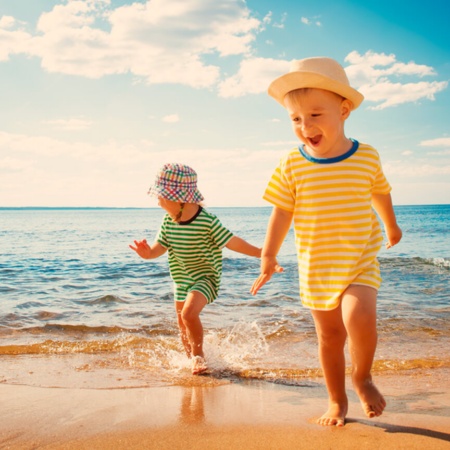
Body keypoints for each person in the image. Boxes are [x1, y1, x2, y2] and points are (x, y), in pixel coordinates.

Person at [251, 57, 402, 426]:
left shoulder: (366, 156)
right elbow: (282, 212)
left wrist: (391, 226)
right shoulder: (292, 164)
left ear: (344, 110)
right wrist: (268, 254)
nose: (306, 126)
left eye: (315, 115)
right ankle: (336, 401)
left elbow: (380, 192)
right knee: (330, 337)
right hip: (317, 266)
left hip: (359, 260)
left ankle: (362, 376)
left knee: (359, 317)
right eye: (296, 119)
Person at [130, 163, 261, 375]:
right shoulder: (168, 221)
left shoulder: (207, 221)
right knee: (182, 323)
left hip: (205, 277)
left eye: (161, 196)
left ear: (178, 197)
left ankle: (199, 356)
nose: (158, 201)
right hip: (181, 279)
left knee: (189, 314)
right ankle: (191, 360)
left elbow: (231, 241)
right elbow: (160, 247)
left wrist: (260, 252)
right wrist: (148, 254)